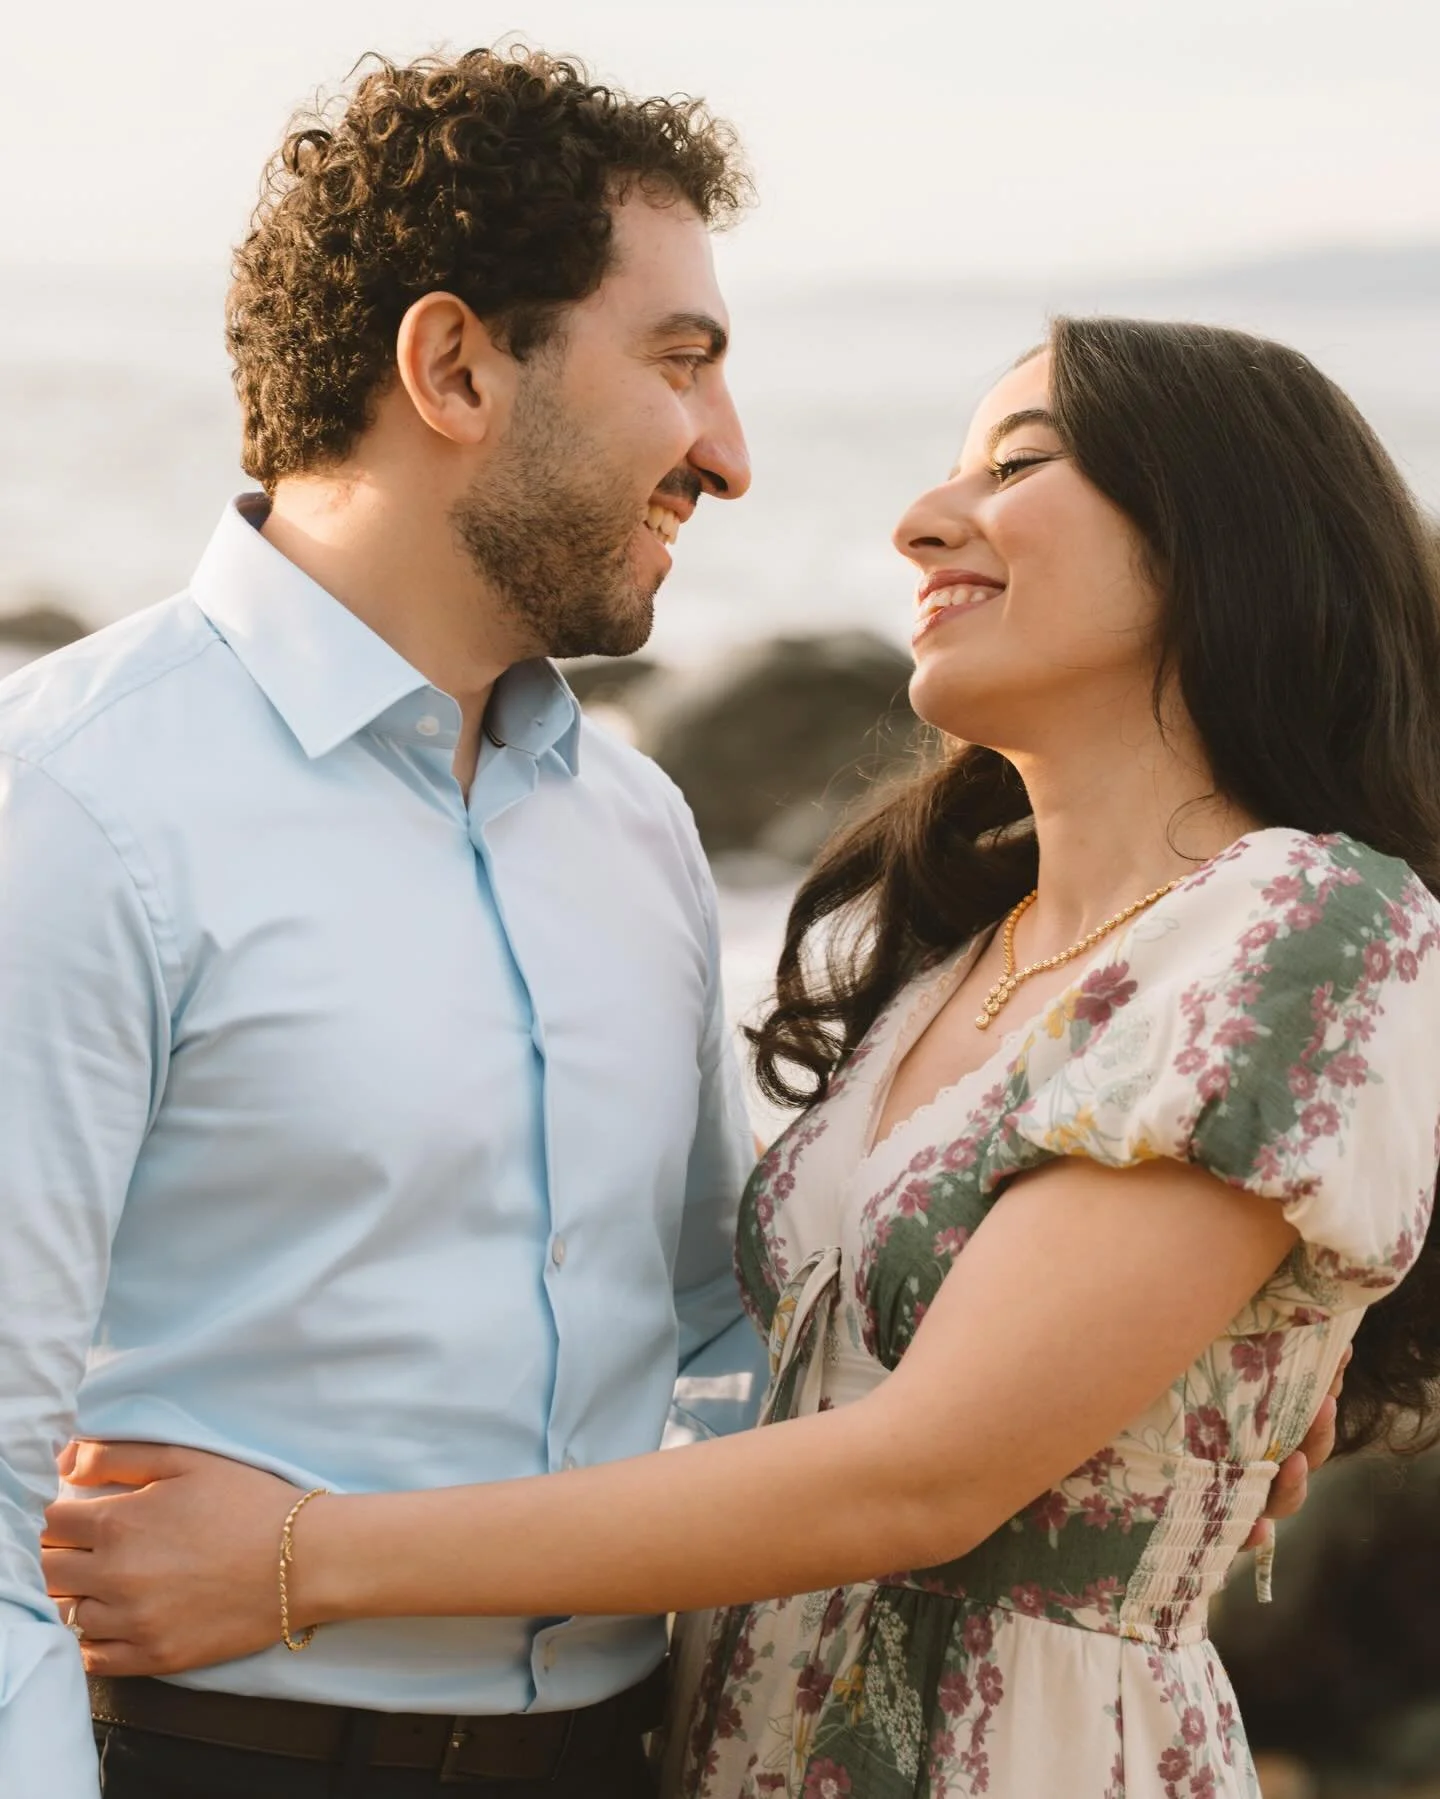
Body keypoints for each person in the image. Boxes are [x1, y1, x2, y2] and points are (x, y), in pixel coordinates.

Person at [43, 316, 1440, 1799]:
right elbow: (743, 1363)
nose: (918, 522)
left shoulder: (1308, 921)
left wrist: (291, 1559)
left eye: (1019, 463)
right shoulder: (954, 963)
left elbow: (924, 1470)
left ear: (1228, 534)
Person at [0, 46, 769, 1799]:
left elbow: (722, 1327)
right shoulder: (73, 806)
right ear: (452, 367)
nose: (728, 453)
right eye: (681, 362)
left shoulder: (640, 826)